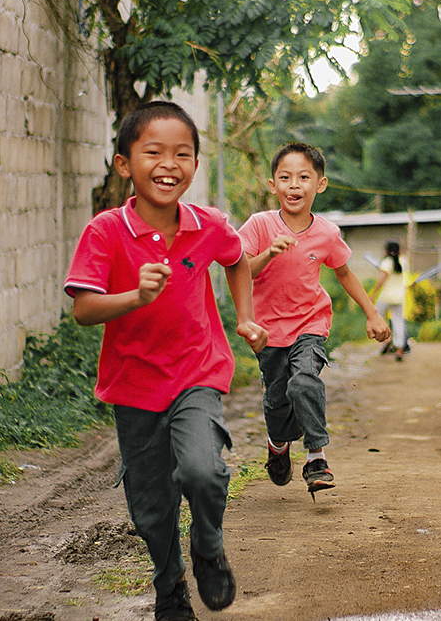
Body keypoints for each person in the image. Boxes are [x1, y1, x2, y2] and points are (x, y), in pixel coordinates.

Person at [64, 101, 268, 621]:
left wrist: (244, 317)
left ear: (196, 165)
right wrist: (135, 297)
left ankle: (207, 544)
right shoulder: (106, 231)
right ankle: (170, 587)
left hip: (197, 373)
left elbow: (237, 258)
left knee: (203, 469)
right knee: (151, 507)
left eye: (183, 153)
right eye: (153, 151)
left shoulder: (209, 226)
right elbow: (84, 309)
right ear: (124, 164)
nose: (169, 164)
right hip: (133, 385)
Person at [238, 142, 390, 497]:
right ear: (272, 185)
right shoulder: (260, 225)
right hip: (268, 331)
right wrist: (267, 254)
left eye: (304, 177)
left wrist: (372, 313)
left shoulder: (326, 232)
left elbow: (345, 273)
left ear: (319, 184)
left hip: (310, 325)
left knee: (304, 381)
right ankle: (278, 446)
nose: (294, 185)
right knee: (277, 401)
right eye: (285, 177)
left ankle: (316, 458)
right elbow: (240, 270)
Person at [371, 240, 409, 361]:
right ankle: (399, 350)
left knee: (377, 316)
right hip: (399, 297)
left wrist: (374, 293)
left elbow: (381, 280)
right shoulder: (403, 261)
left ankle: (386, 339)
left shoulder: (387, 262)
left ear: (386, 251)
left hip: (386, 296)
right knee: (399, 322)